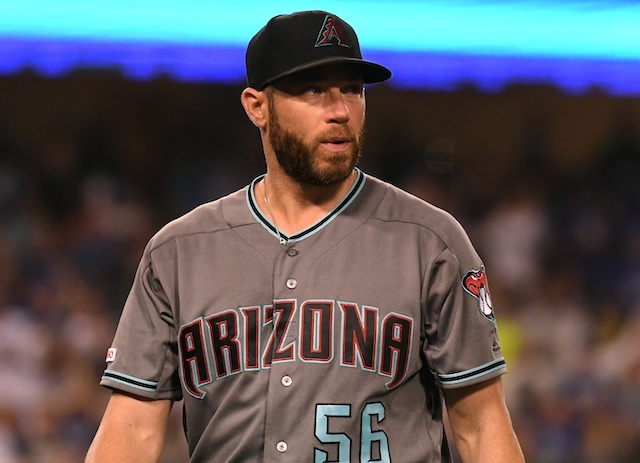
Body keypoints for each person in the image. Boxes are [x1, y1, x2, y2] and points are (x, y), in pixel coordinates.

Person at [85, 10, 525, 463]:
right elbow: (131, 430)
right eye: (314, 89)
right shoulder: (178, 252)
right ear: (257, 107)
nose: (340, 110)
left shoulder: (430, 242)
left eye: (352, 90)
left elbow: (481, 426)